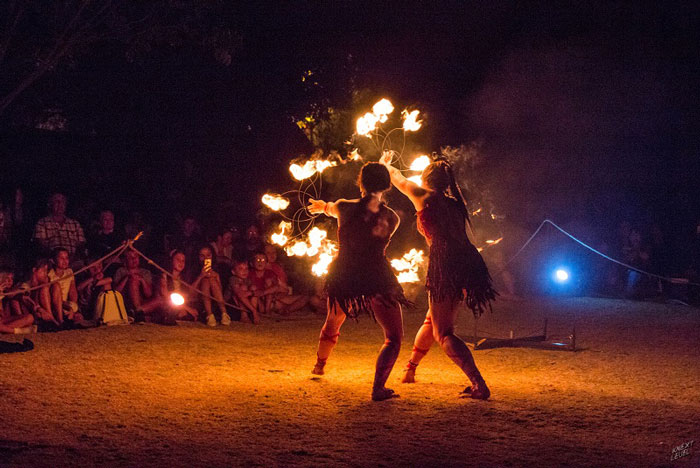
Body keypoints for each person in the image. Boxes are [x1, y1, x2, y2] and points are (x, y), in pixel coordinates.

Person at [380, 153, 496, 400]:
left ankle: (479, 384)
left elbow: (398, 179)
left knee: (443, 333)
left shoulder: (423, 196)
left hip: (446, 263)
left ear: (425, 179)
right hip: (467, 261)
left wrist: (385, 164)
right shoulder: (454, 204)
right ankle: (410, 368)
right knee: (433, 319)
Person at [308, 162, 409, 401]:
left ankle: (320, 365)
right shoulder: (392, 217)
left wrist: (323, 206)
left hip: (346, 273)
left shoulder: (344, 207)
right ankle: (378, 388)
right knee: (394, 337)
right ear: (387, 185)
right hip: (376, 275)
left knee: (333, 322)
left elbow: (331, 208)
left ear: (360, 183)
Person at [140, 250, 199, 323]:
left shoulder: (184, 279)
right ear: (171, 261)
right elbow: (165, 295)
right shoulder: (164, 276)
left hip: (179, 307)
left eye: (183, 261)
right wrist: (187, 308)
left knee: (187, 313)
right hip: (166, 304)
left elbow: (188, 296)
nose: (181, 263)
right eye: (178, 260)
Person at [32, 193, 86, 260]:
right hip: (51, 260)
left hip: (73, 260)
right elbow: (40, 245)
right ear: (50, 204)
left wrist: (70, 258)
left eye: (62, 201)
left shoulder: (75, 224)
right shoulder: (42, 223)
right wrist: (57, 257)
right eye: (56, 201)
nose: (60, 204)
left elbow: (81, 244)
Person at [191, 246, 231, 326]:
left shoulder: (217, 269)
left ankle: (224, 313)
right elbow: (190, 293)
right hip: (198, 301)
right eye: (202, 256)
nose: (205, 258)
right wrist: (200, 276)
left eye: (208, 255)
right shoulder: (193, 269)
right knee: (205, 280)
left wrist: (216, 277)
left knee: (211, 279)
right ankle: (209, 315)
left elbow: (220, 292)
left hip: (215, 301)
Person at [114, 249, 153, 321]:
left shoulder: (145, 272)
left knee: (160, 299)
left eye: (136, 256)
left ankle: (138, 312)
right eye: (130, 257)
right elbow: (116, 292)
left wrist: (142, 280)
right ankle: (137, 313)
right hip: (126, 301)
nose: (134, 259)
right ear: (125, 260)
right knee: (133, 281)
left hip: (143, 302)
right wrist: (127, 278)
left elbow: (148, 294)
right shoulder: (121, 271)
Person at [48, 247, 83, 324]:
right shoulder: (50, 274)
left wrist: (74, 306)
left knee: (74, 307)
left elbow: (72, 291)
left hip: (66, 304)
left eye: (66, 258)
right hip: (54, 304)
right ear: (53, 260)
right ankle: (62, 320)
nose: (65, 261)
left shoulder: (69, 272)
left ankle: (70, 318)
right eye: (61, 258)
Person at [0, 269, 35, 334]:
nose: (10, 281)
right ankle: (18, 331)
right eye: (7, 278)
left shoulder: (10, 290)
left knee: (30, 317)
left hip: (3, 321)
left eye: (12, 278)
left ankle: (5, 330)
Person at [226, 259, 260, 324]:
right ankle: (244, 315)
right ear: (233, 272)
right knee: (243, 288)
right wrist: (251, 293)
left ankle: (252, 314)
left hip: (246, 307)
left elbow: (257, 293)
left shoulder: (247, 280)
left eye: (246, 269)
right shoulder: (233, 279)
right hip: (232, 307)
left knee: (253, 287)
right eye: (240, 269)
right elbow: (239, 294)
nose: (244, 271)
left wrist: (252, 292)